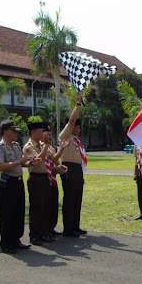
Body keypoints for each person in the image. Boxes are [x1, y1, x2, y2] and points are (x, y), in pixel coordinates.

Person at [0, 120, 34, 254]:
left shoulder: (16, 146)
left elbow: (21, 163)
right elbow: (0, 166)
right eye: (13, 131)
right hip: (7, 183)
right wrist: (20, 161)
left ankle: (16, 239)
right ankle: (6, 242)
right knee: (7, 214)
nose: (16, 134)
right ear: (6, 132)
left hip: (18, 182)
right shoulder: (0, 147)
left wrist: (30, 162)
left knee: (18, 212)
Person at [59, 92, 86, 237]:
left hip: (77, 170)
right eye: (77, 126)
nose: (79, 129)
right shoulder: (65, 135)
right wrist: (78, 103)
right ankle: (68, 229)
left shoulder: (76, 140)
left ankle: (75, 226)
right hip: (68, 169)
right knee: (69, 199)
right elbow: (71, 121)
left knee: (77, 198)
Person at [23, 121, 52, 246]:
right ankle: (34, 235)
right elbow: (39, 160)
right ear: (33, 133)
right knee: (36, 208)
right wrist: (45, 146)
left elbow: (49, 161)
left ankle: (43, 232)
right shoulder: (29, 146)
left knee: (45, 207)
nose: (42, 134)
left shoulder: (40, 145)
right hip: (35, 178)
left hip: (45, 177)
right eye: (40, 131)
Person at [42, 123, 68, 238]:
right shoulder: (40, 146)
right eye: (47, 134)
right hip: (44, 179)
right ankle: (44, 229)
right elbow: (44, 162)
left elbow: (54, 159)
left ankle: (51, 227)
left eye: (50, 134)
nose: (49, 136)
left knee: (53, 205)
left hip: (52, 179)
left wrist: (61, 149)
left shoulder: (51, 147)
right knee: (45, 206)